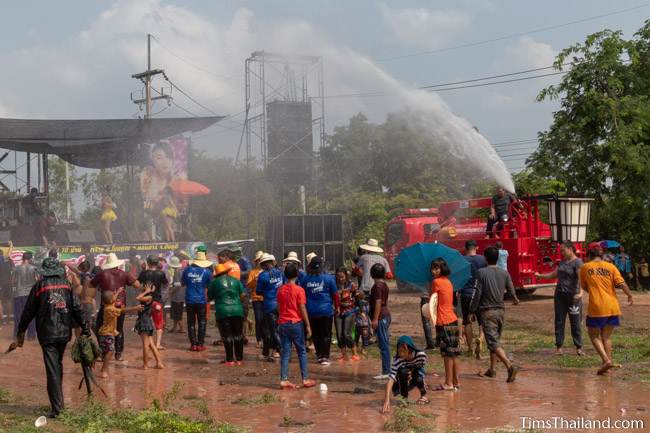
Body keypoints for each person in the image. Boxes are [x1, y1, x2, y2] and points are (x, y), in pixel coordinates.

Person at [13, 258, 90, 418]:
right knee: (57, 365)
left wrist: (20, 332)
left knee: (52, 369)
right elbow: (77, 309)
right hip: (63, 333)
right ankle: (58, 402)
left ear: (44, 272)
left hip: (47, 334)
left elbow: (28, 312)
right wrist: (86, 328)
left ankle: (57, 409)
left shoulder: (39, 286)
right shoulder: (66, 285)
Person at [580, 248, 634, 375]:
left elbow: (584, 286)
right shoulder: (611, 267)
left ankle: (606, 360)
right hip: (612, 306)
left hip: (597, 307)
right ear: (602, 256)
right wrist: (630, 295)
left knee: (593, 335)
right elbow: (621, 284)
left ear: (589, 256)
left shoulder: (585, 267)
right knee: (607, 336)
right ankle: (607, 365)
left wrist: (594, 291)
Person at [471, 246, 520, 382]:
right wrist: (515, 299)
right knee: (494, 341)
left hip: (488, 312)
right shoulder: (504, 272)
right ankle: (492, 370)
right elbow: (511, 290)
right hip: (501, 312)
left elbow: (477, 293)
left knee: (493, 342)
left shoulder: (481, 273)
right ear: (498, 258)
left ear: (485, 258)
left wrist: (471, 310)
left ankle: (510, 366)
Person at [535, 241, 584, 356]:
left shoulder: (578, 262)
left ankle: (579, 347)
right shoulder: (562, 262)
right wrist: (540, 276)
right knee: (559, 321)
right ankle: (559, 347)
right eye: (560, 250)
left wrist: (581, 293)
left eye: (563, 250)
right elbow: (553, 275)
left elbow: (581, 279)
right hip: (560, 295)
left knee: (575, 321)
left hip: (573, 296)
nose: (561, 252)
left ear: (570, 249)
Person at [92, 253, 141, 361]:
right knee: (119, 329)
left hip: (106, 306)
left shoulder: (102, 274)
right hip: (120, 305)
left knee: (101, 328)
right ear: (117, 264)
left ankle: (103, 352)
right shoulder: (124, 274)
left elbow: (92, 284)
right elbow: (137, 284)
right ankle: (118, 354)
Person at [277, 262, 316, 390]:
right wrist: (308, 325)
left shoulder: (280, 289)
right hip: (295, 323)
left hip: (283, 323)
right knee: (301, 352)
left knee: (286, 353)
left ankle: (284, 380)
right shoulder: (299, 290)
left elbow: (279, 307)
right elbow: (302, 308)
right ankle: (305, 379)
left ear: (285, 274)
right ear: (297, 274)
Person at [300, 257, 338, 365]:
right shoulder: (329, 278)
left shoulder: (305, 279)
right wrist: (338, 307)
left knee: (316, 334)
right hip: (326, 311)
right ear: (322, 265)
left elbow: (301, 294)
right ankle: (325, 356)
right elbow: (335, 295)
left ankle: (319, 355)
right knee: (326, 334)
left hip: (311, 311)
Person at [430, 258, 461, 390]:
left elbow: (433, 303)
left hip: (443, 322)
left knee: (447, 354)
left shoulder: (436, 282)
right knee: (453, 353)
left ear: (442, 269)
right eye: (432, 268)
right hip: (453, 320)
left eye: (436, 268)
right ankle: (456, 381)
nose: (433, 271)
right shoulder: (449, 282)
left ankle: (448, 383)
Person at [98, 289, 142, 378]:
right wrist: (135, 308)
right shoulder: (110, 309)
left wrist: (117, 292)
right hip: (107, 334)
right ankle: (104, 369)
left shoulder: (108, 305)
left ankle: (103, 368)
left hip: (107, 333)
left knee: (107, 351)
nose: (116, 298)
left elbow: (114, 301)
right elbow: (122, 311)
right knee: (110, 351)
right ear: (111, 300)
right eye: (113, 297)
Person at [208, 263, 246, 365]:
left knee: (227, 336)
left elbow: (209, 297)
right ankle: (239, 360)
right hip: (237, 310)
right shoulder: (236, 281)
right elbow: (243, 295)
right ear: (226, 271)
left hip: (223, 311)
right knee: (238, 335)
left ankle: (229, 360)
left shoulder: (214, 283)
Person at [381, 336, 428, 413]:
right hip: (403, 379)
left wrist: (412, 372)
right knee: (402, 371)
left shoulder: (420, 355)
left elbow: (421, 367)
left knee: (419, 378)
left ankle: (424, 395)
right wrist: (386, 400)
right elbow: (390, 380)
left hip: (415, 374)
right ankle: (404, 399)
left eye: (404, 351)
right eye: (399, 351)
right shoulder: (397, 360)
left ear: (410, 349)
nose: (401, 354)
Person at [256, 253, 286, 361]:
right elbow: (284, 285)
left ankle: (281, 350)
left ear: (263, 264)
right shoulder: (280, 273)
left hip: (269, 306)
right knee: (279, 328)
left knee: (272, 330)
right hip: (281, 304)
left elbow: (258, 291)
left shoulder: (263, 275)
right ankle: (277, 350)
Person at [182, 251, 213, 351]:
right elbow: (209, 286)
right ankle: (200, 344)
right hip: (201, 300)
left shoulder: (186, 270)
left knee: (191, 322)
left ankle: (193, 344)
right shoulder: (207, 272)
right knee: (202, 322)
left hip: (189, 299)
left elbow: (183, 283)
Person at [461, 240, 487, 358]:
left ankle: (470, 349)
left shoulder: (461, 260)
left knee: (467, 321)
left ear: (465, 248)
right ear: (476, 247)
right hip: (479, 294)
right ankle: (481, 340)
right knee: (482, 322)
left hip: (465, 294)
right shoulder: (482, 260)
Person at [138, 255, 169, 350]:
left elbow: (138, 284)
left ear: (148, 262)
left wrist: (144, 289)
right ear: (157, 263)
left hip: (146, 300)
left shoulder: (144, 273)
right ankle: (158, 344)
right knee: (159, 323)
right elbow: (165, 283)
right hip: (157, 301)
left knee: (145, 321)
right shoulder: (161, 273)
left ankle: (147, 342)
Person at [134, 282, 164, 369]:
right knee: (151, 345)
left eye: (145, 286)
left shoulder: (149, 297)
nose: (143, 287)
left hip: (145, 323)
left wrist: (146, 291)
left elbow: (138, 298)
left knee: (145, 345)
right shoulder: (149, 296)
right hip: (145, 322)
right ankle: (159, 363)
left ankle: (145, 365)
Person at [370, 263, 392, 380]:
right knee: (384, 344)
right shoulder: (384, 285)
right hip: (384, 315)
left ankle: (386, 371)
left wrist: (375, 319)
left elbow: (378, 302)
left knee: (384, 345)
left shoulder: (378, 286)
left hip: (381, 317)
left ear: (371, 274)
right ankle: (386, 369)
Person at [334, 266, 358, 361]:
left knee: (346, 334)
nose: (340, 279)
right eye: (338, 277)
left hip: (349, 311)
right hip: (338, 311)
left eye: (342, 276)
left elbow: (358, 296)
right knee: (339, 335)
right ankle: (344, 355)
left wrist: (361, 311)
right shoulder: (334, 285)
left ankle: (355, 353)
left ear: (346, 276)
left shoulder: (351, 284)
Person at [13, 252, 37, 340]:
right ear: (30, 259)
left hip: (19, 294)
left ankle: (18, 334)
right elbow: (37, 280)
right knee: (31, 315)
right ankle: (31, 335)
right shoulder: (34, 268)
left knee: (19, 315)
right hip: (31, 294)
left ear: (23, 258)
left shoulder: (16, 268)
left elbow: (13, 281)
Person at [247, 251, 265, 347]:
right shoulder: (253, 272)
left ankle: (266, 338)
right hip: (256, 298)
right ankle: (259, 340)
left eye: (261, 260)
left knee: (265, 319)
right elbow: (249, 285)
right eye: (258, 260)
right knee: (258, 319)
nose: (259, 262)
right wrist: (255, 280)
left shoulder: (267, 272)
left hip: (266, 299)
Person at [168, 256, 185, 333]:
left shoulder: (177, 272)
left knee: (177, 313)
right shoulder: (179, 271)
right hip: (179, 295)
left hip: (177, 296)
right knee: (175, 313)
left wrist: (170, 291)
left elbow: (178, 285)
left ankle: (181, 328)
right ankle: (174, 327)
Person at [354, 291, 371, 357]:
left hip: (361, 323)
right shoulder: (366, 304)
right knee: (362, 337)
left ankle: (360, 348)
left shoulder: (359, 304)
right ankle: (361, 349)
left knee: (360, 337)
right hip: (362, 323)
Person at [0, 248, 14, 325]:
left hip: (1, 284)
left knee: (0, 301)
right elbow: (14, 271)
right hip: (8, 284)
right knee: (9, 301)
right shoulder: (10, 262)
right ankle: (9, 320)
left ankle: (3, 320)